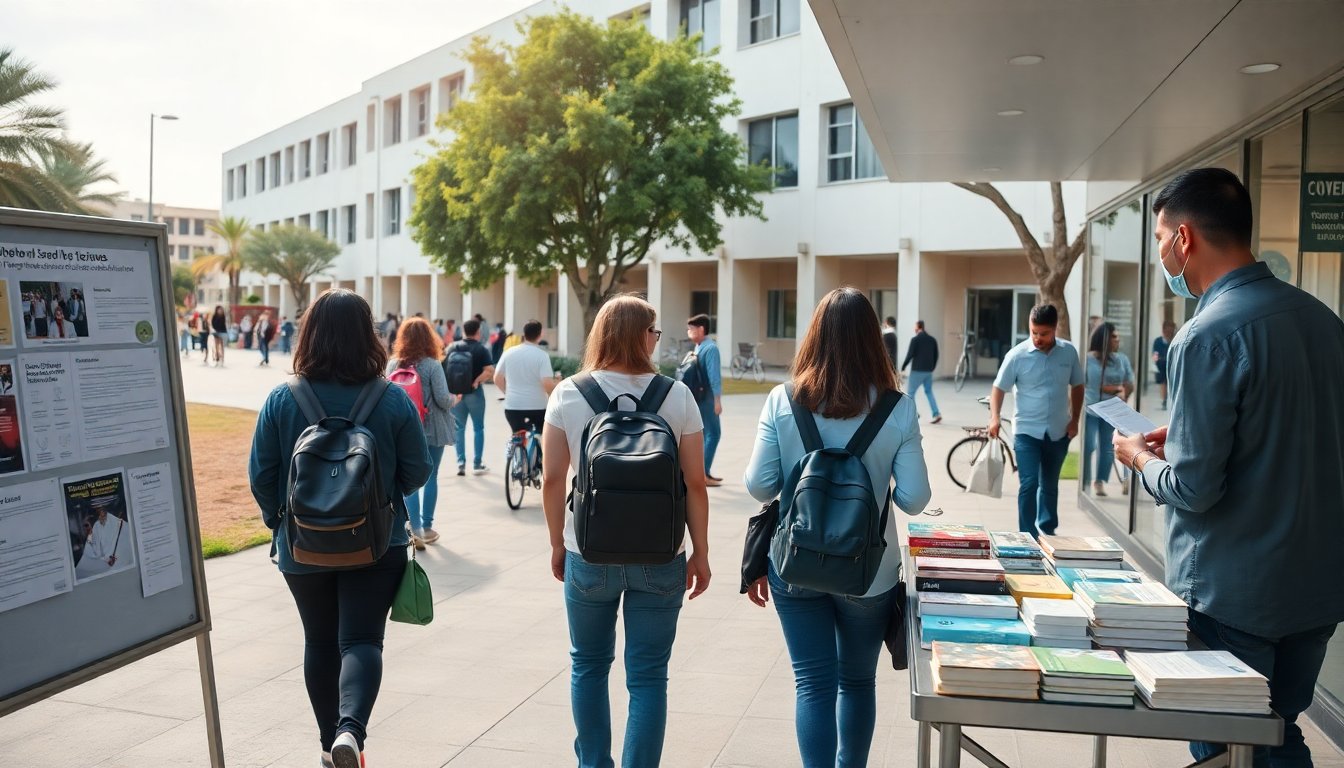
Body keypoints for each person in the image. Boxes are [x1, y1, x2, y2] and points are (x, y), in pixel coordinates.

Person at [1114, 168, 1344, 768]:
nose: (1161, 252)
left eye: (1161, 237)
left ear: (1184, 239)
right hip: (1317, 588)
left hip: (1235, 595)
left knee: (1231, 747)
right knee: (1278, 728)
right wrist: (1186, 439)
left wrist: (1139, 458)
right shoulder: (1325, 323)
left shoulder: (1205, 337)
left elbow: (1192, 487)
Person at [743, 287, 931, 767]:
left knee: (812, 681)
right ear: (874, 339)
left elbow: (761, 486)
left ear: (814, 336)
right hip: (870, 571)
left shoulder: (782, 400)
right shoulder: (898, 407)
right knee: (857, 681)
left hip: (796, 564)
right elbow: (914, 499)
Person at [248, 289, 432, 768]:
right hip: (376, 541)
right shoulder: (390, 398)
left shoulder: (283, 399)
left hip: (301, 545)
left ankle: (329, 743)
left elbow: (261, 477)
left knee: (319, 641)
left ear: (309, 333)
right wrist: (382, 497)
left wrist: (282, 521)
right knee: (362, 640)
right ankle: (351, 731)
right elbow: (418, 471)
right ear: (366, 334)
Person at [540, 294, 710, 768]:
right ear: (641, 336)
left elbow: (553, 479)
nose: (657, 340)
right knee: (650, 676)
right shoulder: (676, 395)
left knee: (589, 667)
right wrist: (700, 552)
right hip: (661, 555)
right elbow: (695, 483)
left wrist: (558, 543)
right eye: (654, 332)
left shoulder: (570, 393)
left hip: (588, 552)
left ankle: (594, 763)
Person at [988, 304, 1083, 537]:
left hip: (1059, 431)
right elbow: (998, 388)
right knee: (1029, 483)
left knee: (1050, 485)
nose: (1038, 338)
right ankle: (1027, 535)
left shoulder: (1069, 353)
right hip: (1026, 432)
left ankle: (1048, 530)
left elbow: (1078, 385)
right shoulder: (1017, 355)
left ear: (1055, 329)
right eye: (1034, 333)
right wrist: (994, 418)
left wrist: (1075, 420)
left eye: (1044, 333)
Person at [389, 316, 456, 550]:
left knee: (408, 481)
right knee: (432, 476)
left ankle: (413, 528)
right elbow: (443, 400)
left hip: (402, 431)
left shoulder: (393, 365)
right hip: (431, 429)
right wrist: (454, 399)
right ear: (429, 338)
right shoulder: (432, 365)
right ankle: (427, 528)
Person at [494, 320, 557, 463]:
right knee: (542, 435)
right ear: (540, 335)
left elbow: (497, 378)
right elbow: (547, 384)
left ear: (524, 334)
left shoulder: (508, 353)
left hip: (513, 407)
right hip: (538, 407)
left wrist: (507, 392)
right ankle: (539, 463)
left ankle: (517, 462)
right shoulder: (542, 356)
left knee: (518, 434)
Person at [1083, 322, 1133, 496]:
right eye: (1113, 336)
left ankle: (1099, 482)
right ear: (1103, 339)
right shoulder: (1087, 360)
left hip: (1113, 411)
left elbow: (1129, 382)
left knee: (1107, 448)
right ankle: (1085, 482)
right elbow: (1083, 385)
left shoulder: (1121, 360)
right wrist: (1112, 388)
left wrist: (1123, 391)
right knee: (1088, 446)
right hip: (1090, 410)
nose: (1117, 339)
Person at [447, 318, 495, 475]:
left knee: (459, 428)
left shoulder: (451, 347)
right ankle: (477, 463)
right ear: (478, 332)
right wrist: (476, 381)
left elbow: (444, 370)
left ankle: (461, 463)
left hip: (457, 394)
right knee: (478, 428)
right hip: (474, 393)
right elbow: (489, 371)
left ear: (463, 331)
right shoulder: (481, 349)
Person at [685, 313, 723, 486]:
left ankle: (704, 472)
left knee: (707, 434)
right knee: (713, 434)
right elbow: (714, 377)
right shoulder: (707, 347)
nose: (688, 332)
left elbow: (714, 376)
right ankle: (704, 474)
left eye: (691, 329)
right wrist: (716, 401)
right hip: (705, 397)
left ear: (701, 329)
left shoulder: (704, 348)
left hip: (700, 396)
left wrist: (717, 400)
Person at [901, 319, 941, 424]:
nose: (914, 328)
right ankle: (936, 413)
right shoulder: (932, 340)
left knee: (910, 393)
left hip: (917, 371)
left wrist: (903, 366)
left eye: (915, 326)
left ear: (919, 327)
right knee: (929, 392)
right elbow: (936, 355)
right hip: (928, 371)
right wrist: (932, 367)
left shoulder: (915, 340)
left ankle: (914, 414)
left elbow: (910, 355)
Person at [1152, 320, 1175, 409]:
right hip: (1161, 365)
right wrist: (1158, 361)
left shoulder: (1174, 341)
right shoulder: (1158, 341)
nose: (1169, 333)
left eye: (1171, 331)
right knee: (1163, 380)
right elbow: (1155, 355)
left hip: (1171, 365)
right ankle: (1164, 400)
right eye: (1168, 331)